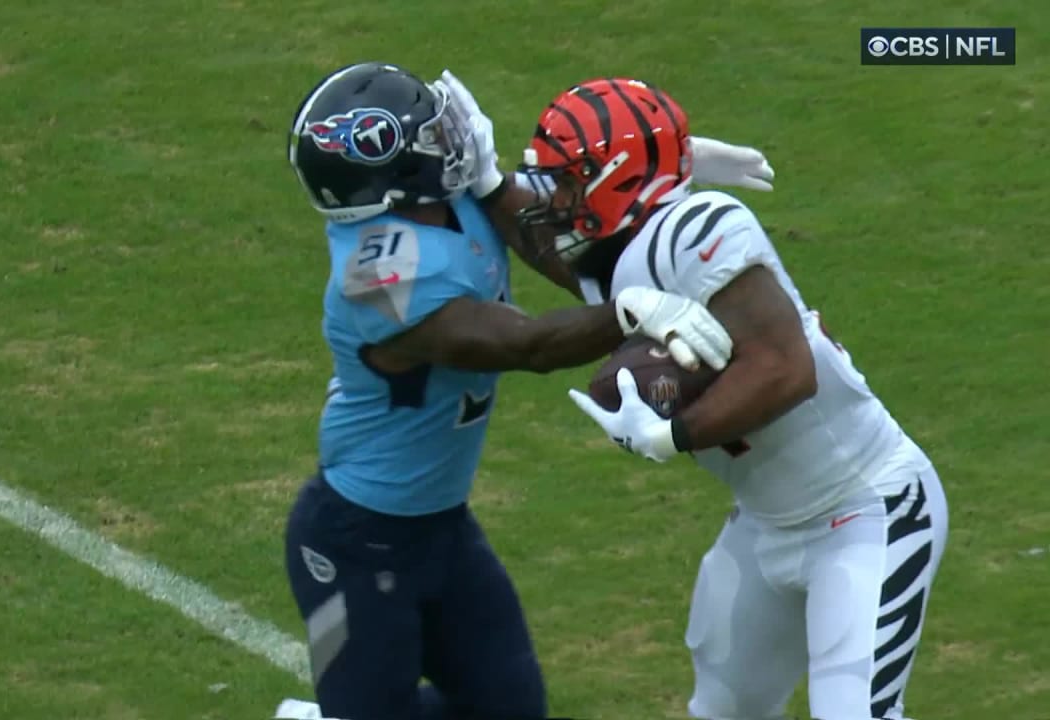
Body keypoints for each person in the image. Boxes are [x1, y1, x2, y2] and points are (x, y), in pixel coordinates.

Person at [276, 62, 771, 720]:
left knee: (509, 708)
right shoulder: (381, 277)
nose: (449, 137)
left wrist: (667, 170)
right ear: (387, 171)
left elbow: (567, 210)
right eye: (427, 134)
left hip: (442, 526)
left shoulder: (445, 201)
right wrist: (631, 311)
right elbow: (525, 345)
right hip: (357, 538)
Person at [490, 76, 948, 719]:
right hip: (765, 522)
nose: (559, 200)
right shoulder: (622, 254)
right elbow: (571, 266)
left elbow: (786, 371)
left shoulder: (700, 226)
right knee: (723, 710)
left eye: (571, 181)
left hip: (867, 506)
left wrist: (673, 434)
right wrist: (484, 184)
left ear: (614, 176)